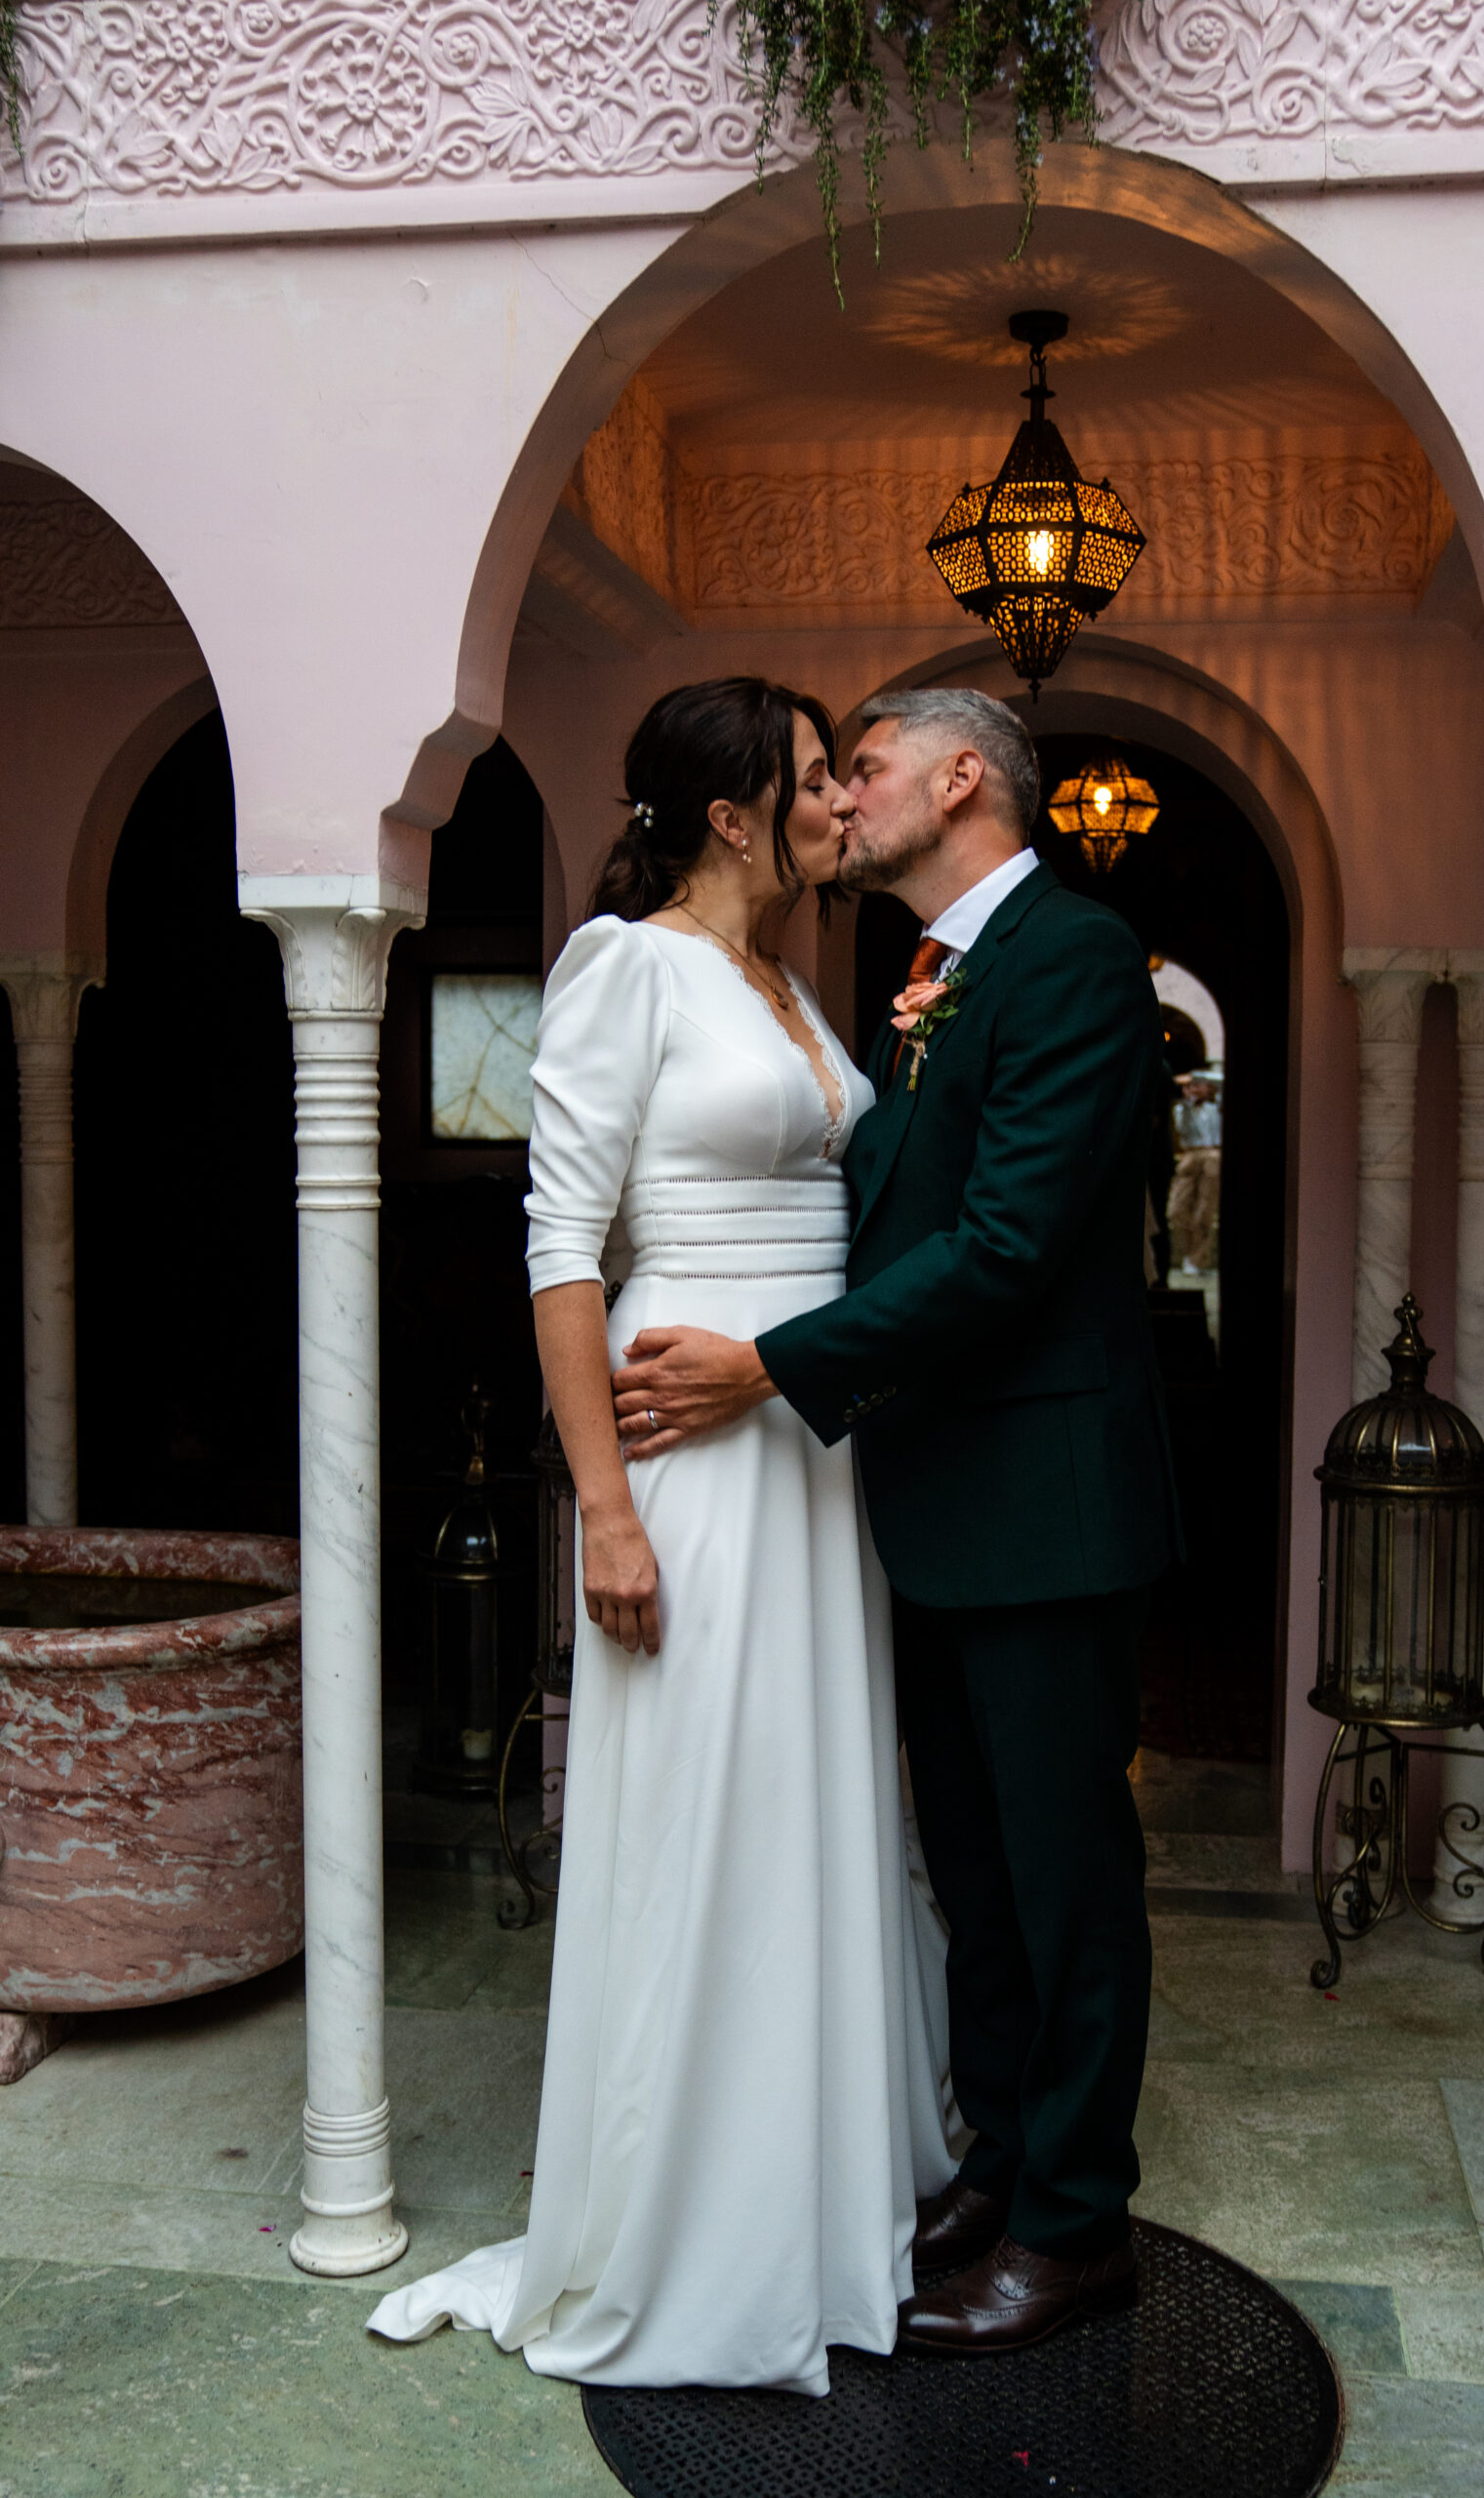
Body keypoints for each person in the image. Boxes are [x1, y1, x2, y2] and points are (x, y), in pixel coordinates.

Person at [368, 678, 954, 2394]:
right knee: (707, 1818)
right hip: (682, 1447)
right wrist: (601, 1518)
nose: (843, 802)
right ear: (729, 812)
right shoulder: (624, 967)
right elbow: (562, 1250)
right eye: (812, 780)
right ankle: (694, 2230)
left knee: (809, 1808)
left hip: (809, 1448)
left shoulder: (787, 979)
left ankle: (815, 2180)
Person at [614, 686, 1181, 2355]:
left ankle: (1078, 2228)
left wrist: (767, 1367)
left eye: (854, 769)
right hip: (932, 1502)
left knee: (1066, 1877)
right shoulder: (926, 977)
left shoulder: (1071, 955)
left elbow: (1004, 1248)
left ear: (957, 779)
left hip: (1047, 1508)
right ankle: (1001, 2166)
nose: (836, 799)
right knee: (984, 1871)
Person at [1167, 1071, 1223, 1275]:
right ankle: (1189, 1253)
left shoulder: (1215, 1108)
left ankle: (1198, 1259)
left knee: (1205, 1210)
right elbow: (1183, 1128)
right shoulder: (1182, 1109)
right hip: (1190, 1154)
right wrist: (1188, 1099)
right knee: (1177, 1210)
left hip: (1212, 1154)